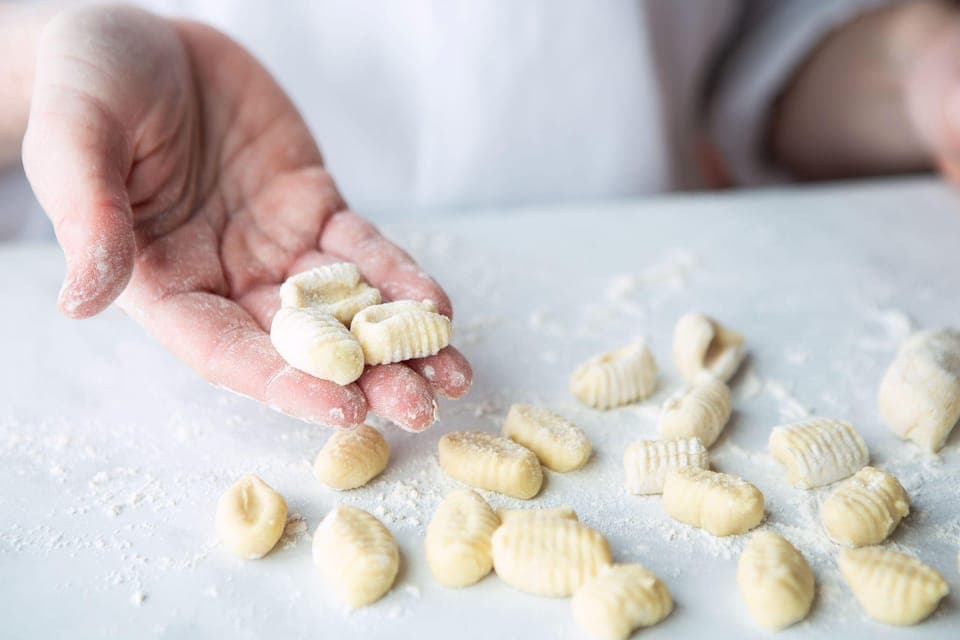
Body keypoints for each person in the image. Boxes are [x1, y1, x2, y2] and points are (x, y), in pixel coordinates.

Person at [0, 1, 956, 430]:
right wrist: (48, 64)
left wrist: (915, 67)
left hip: (640, 289)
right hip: (140, 323)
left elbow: (763, 48)